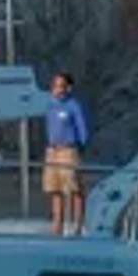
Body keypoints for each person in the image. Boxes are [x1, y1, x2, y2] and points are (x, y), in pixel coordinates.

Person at [43, 70, 91, 234]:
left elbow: (82, 128)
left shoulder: (73, 105)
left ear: (68, 88)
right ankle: (58, 225)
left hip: (68, 150)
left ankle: (78, 225)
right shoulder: (50, 104)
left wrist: (81, 145)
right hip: (52, 150)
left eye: (60, 86)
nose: (56, 89)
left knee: (74, 187)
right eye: (54, 86)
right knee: (55, 188)